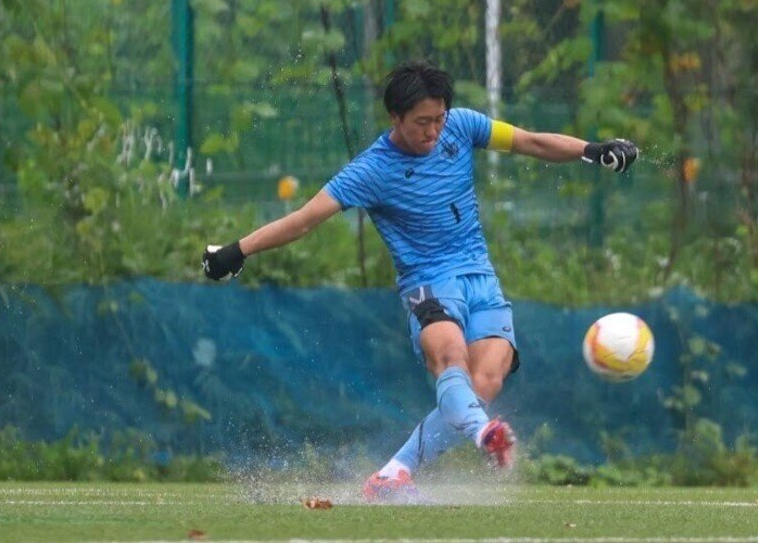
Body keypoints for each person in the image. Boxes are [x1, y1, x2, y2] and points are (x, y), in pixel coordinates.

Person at [201, 60, 638, 502]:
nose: (433, 132)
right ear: (395, 117)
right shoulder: (370, 170)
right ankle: (483, 432)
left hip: (481, 279)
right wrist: (237, 250)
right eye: (421, 123)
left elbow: (530, 142)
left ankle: (393, 473)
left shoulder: (462, 126)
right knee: (450, 358)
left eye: (438, 119)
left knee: (486, 381)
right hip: (429, 284)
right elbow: (303, 220)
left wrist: (592, 149)